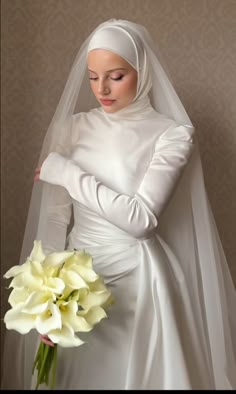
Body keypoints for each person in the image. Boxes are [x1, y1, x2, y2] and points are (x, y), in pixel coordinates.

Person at [1, 19, 236, 390]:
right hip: (72, 290)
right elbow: (54, 219)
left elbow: (141, 220)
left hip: (139, 285)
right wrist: (44, 304)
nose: (102, 89)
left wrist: (66, 172)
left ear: (141, 72)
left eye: (116, 76)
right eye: (93, 77)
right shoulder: (72, 129)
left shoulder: (172, 135)